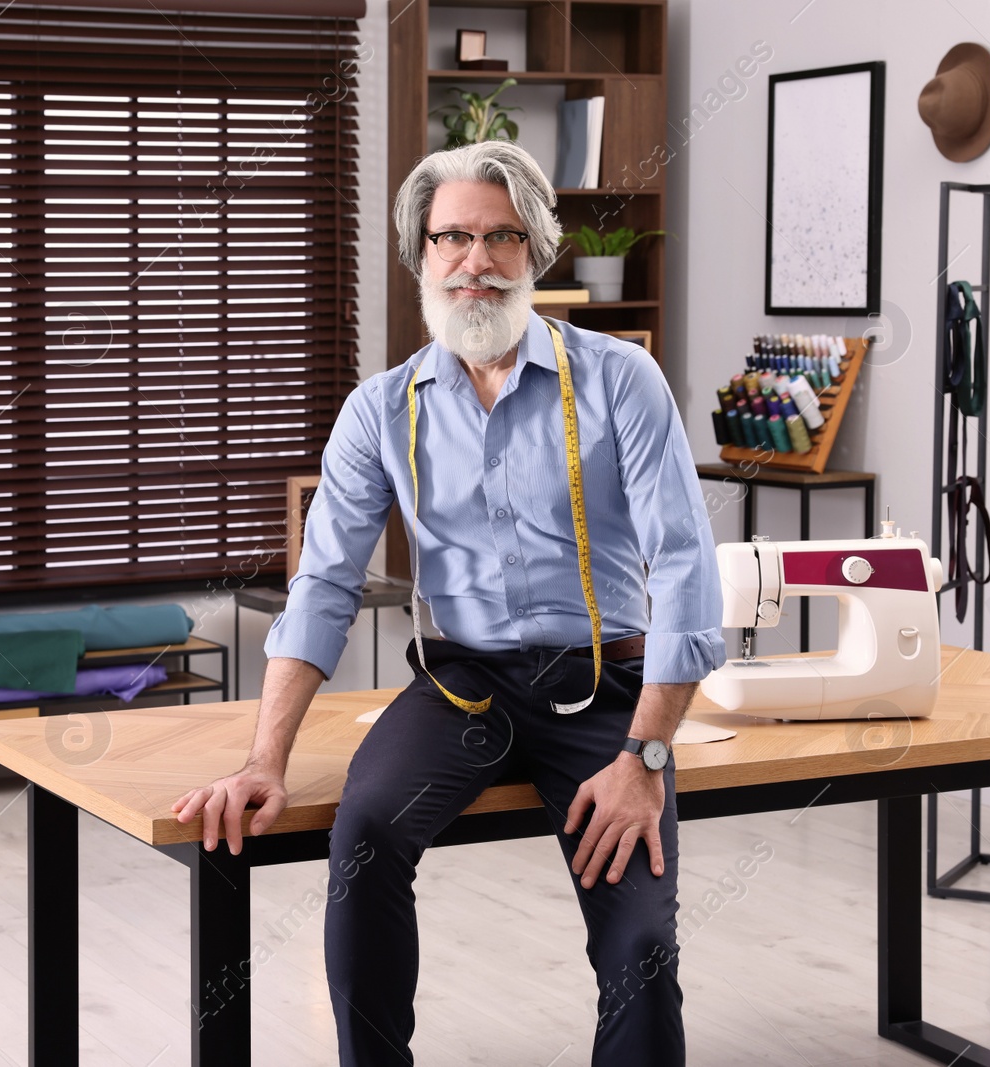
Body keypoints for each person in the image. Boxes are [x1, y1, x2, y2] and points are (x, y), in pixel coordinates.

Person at [172, 140, 724, 1066]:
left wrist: (647, 755)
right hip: (463, 688)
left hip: (608, 693)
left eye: (500, 235)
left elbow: (686, 575)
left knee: (639, 941)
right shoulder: (382, 411)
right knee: (366, 833)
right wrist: (265, 758)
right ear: (421, 255)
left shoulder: (622, 380)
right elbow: (323, 589)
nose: (475, 260)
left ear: (536, 250)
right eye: (452, 237)